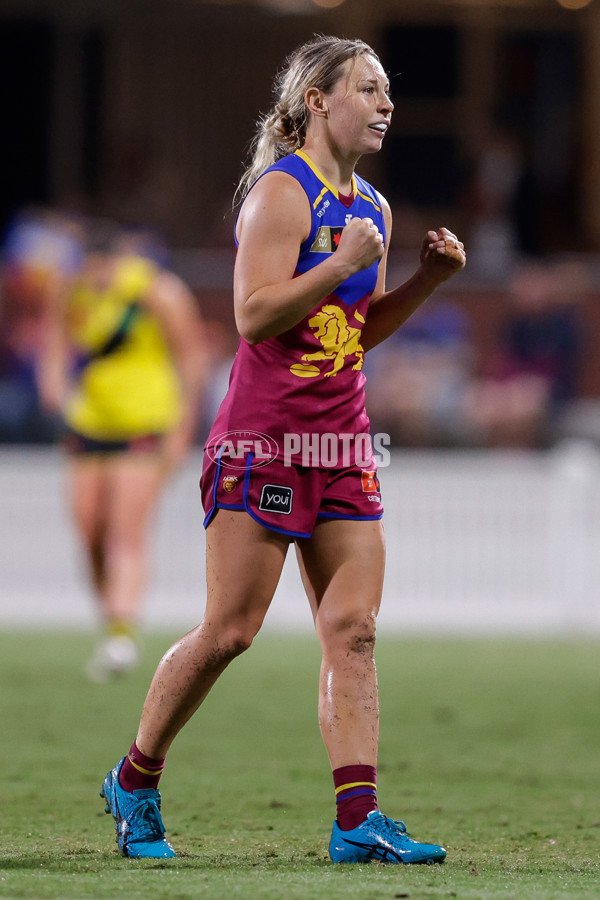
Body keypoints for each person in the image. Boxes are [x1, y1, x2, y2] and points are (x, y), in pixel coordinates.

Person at [100, 35, 466, 863]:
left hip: (339, 444)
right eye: (368, 90)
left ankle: (356, 823)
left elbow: (351, 333)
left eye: (388, 93)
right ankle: (135, 778)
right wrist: (340, 260)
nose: (386, 104)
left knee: (355, 631)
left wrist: (425, 282)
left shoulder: (372, 209)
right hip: (264, 443)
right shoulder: (280, 194)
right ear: (317, 100)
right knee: (230, 631)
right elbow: (254, 315)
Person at [38, 222, 207, 681]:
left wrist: (181, 431)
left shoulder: (157, 292)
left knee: (123, 531)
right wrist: (53, 383)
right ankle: (112, 625)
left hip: (145, 424)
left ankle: (121, 632)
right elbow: (53, 338)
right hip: (88, 422)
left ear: (120, 262)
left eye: (104, 272)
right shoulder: (72, 289)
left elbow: (192, 360)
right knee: (88, 530)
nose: (97, 281)